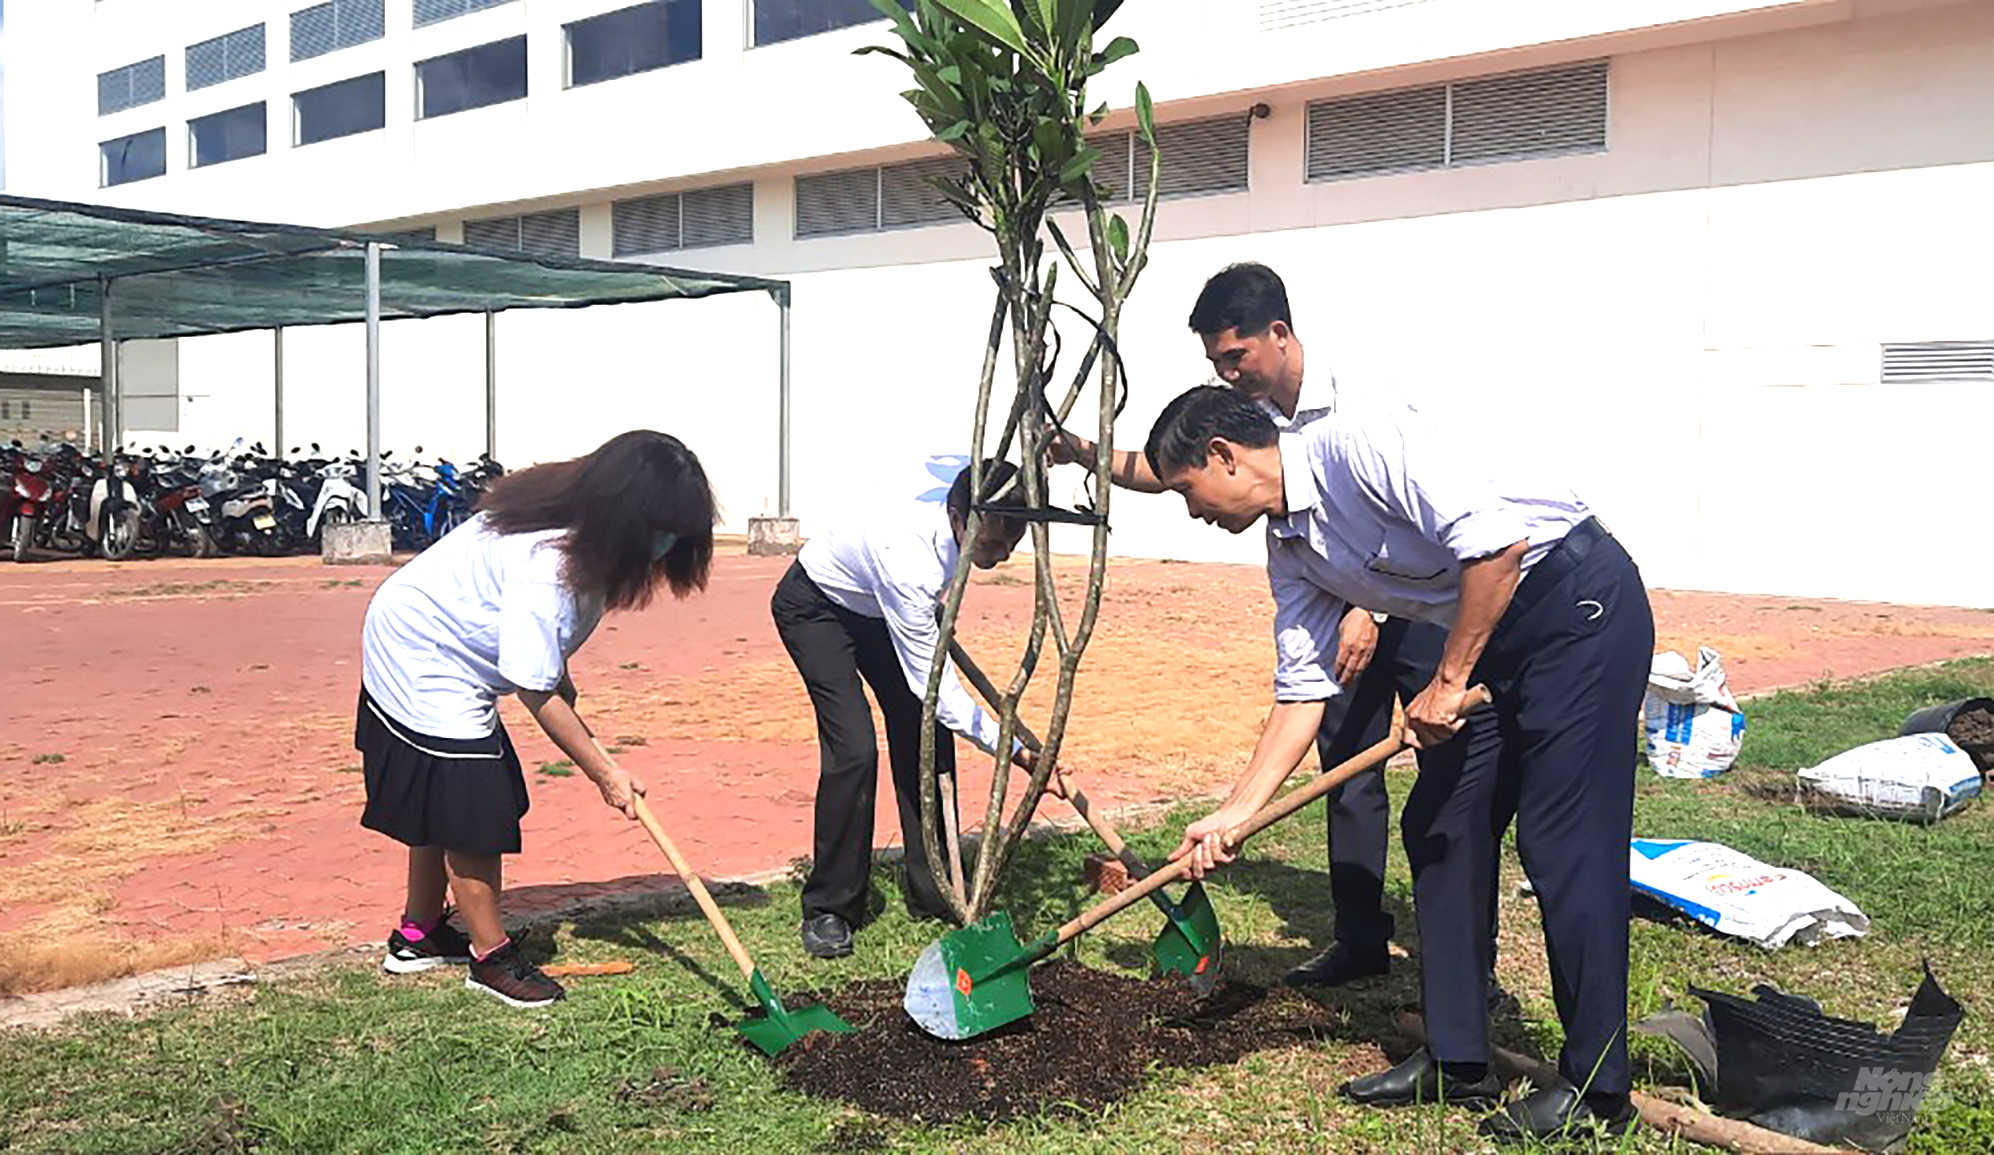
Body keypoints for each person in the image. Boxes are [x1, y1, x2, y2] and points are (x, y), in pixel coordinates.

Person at [1146, 386, 1653, 1141]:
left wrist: (1447, 682)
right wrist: (1235, 813)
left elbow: (1496, 547)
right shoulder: (1291, 547)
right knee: (1441, 820)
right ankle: (1458, 1058)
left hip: (1574, 607)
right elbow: (1301, 693)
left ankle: (1598, 1090)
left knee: (1563, 842)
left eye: (1189, 491)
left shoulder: (1360, 445)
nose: (1195, 514)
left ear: (1222, 455)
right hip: (1492, 637)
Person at [1050, 263, 1500, 995]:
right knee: (1346, 773)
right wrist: (1086, 454)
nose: (1230, 375)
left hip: (1416, 608)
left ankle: (1469, 966)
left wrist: (1366, 604)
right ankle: (1359, 941)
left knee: (1451, 786)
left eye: (1237, 356)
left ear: (1279, 334)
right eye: (1217, 364)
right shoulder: (1247, 432)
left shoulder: (1359, 404)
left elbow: (1412, 521)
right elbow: (1177, 471)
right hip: (1327, 598)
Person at [357, 430, 717, 1009]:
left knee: (445, 798)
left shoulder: (584, 530)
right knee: (472, 805)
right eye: (660, 529)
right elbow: (535, 687)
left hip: (446, 646)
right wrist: (606, 772)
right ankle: (490, 957)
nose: (666, 545)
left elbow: (546, 657)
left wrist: (564, 689)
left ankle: (418, 937)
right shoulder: (547, 561)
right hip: (422, 655)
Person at [772, 461, 1042, 959]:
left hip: (878, 605)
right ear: (960, 519)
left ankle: (934, 883)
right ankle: (830, 906)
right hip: (816, 606)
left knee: (925, 735)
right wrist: (1015, 748)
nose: (1002, 556)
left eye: (1011, 543)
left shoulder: (967, 505)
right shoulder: (908, 557)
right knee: (854, 749)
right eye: (991, 544)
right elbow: (936, 690)